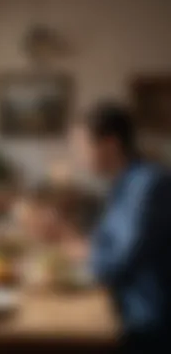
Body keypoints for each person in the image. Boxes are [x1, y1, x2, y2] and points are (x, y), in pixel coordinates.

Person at [70, 101, 171, 352]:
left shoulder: (149, 185)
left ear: (111, 144)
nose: (79, 157)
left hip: (145, 322)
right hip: (122, 307)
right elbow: (105, 243)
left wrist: (84, 251)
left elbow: (113, 263)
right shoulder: (124, 182)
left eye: (83, 147)